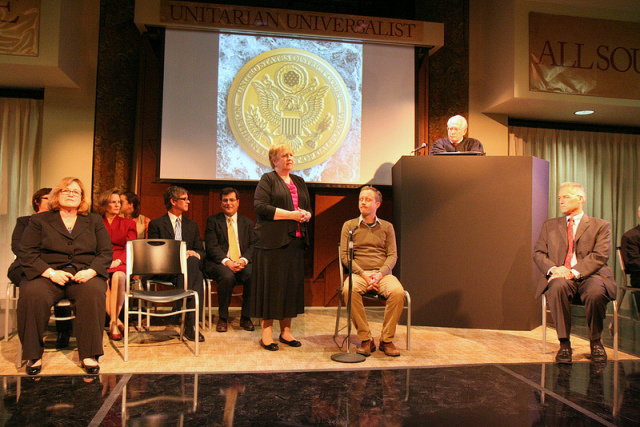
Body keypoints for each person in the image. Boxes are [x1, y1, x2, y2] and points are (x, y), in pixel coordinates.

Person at [17, 177, 112, 375]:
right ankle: (33, 355)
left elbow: (105, 252)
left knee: (93, 292)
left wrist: (91, 271)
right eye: (66, 191)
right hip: (47, 273)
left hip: (83, 273)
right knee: (32, 294)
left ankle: (90, 354)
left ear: (82, 197)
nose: (71, 194)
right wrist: (50, 273)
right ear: (57, 195)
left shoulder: (94, 221)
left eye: (76, 192)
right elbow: (26, 251)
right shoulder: (40, 220)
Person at [533, 182, 616, 364]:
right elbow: (539, 252)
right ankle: (564, 344)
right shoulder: (549, 226)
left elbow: (600, 255)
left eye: (566, 197)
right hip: (561, 276)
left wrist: (574, 272)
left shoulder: (600, 226)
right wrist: (554, 269)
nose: (561, 201)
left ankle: (596, 342)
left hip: (591, 275)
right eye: (559, 198)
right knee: (557, 287)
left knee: (595, 291)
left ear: (580, 199)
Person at [249, 142, 312, 351]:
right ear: (274, 160)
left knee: (290, 287)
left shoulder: (299, 181)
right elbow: (260, 207)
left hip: (295, 241)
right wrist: (292, 215)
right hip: (272, 242)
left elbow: (307, 207)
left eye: (291, 155)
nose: (290, 158)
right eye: (285, 155)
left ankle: (286, 332)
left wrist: (306, 214)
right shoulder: (268, 179)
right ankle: (266, 334)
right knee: (271, 288)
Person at [340, 186, 405, 357]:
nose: (363, 202)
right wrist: (364, 274)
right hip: (359, 274)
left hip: (382, 275)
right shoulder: (349, 226)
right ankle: (366, 339)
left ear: (377, 204)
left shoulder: (387, 227)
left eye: (368, 200)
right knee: (349, 289)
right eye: (361, 199)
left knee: (398, 292)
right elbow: (345, 256)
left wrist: (379, 274)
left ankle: (387, 340)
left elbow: (392, 256)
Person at [7, 188, 73, 348]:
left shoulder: (61, 221)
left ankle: (63, 331)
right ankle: (33, 337)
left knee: (61, 278)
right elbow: (18, 247)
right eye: (47, 198)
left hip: (55, 265)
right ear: (37, 201)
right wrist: (40, 265)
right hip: (26, 265)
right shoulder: (24, 221)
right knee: (32, 285)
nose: (52, 201)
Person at [148, 185, 205, 342]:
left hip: (187, 269)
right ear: (173, 201)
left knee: (193, 263)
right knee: (196, 274)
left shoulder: (192, 225)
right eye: (184, 199)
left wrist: (195, 254)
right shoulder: (157, 224)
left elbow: (201, 250)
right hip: (165, 268)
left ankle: (187, 320)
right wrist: (180, 255)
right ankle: (190, 322)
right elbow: (155, 252)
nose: (188, 202)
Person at [204, 187, 256, 332]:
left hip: (241, 262)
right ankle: (223, 318)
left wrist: (243, 260)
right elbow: (212, 247)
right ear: (220, 203)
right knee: (227, 276)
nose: (228, 203)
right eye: (225, 200)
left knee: (253, 274)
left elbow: (254, 246)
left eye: (232, 200)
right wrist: (228, 262)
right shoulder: (213, 221)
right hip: (220, 263)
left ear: (238, 202)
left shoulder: (248, 223)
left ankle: (246, 317)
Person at [95, 189, 137, 341]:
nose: (117, 205)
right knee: (103, 280)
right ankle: (117, 321)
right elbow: (92, 245)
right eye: (113, 202)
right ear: (104, 204)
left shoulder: (128, 223)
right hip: (101, 259)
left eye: (119, 202)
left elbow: (130, 246)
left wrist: (119, 261)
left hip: (121, 260)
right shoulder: (95, 222)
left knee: (119, 276)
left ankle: (112, 321)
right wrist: (106, 261)